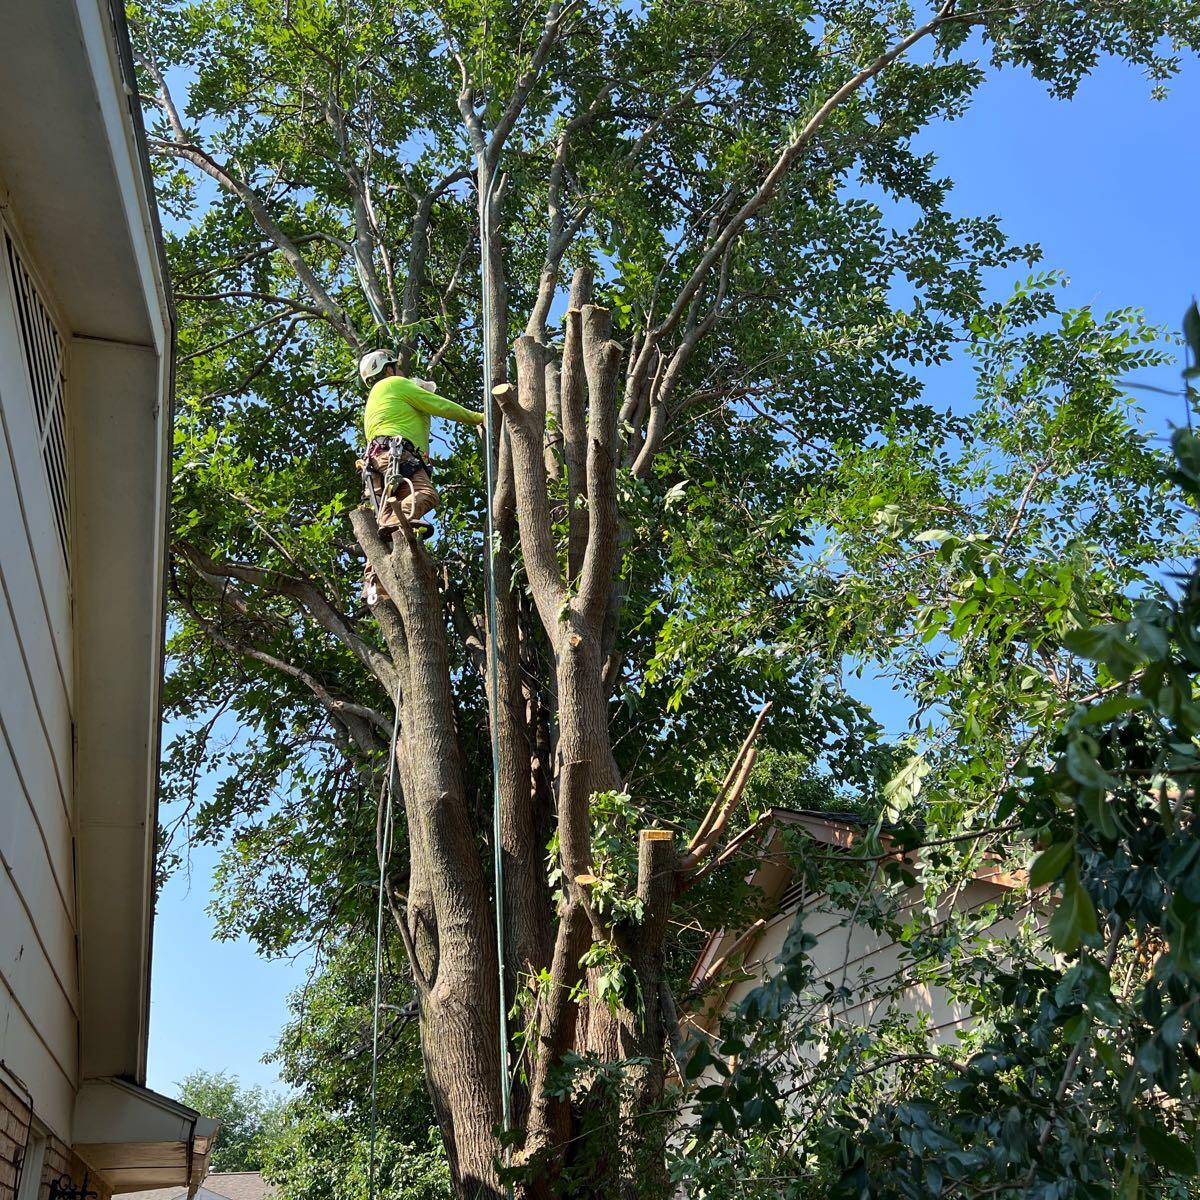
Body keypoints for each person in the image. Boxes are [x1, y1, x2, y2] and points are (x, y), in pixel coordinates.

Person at [356, 350, 484, 602]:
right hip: (398, 456)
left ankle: (374, 587)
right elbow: (440, 405)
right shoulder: (395, 384)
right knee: (425, 495)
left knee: (384, 520)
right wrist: (479, 418)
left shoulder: (375, 400)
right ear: (388, 369)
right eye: (396, 368)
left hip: (378, 464)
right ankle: (393, 522)